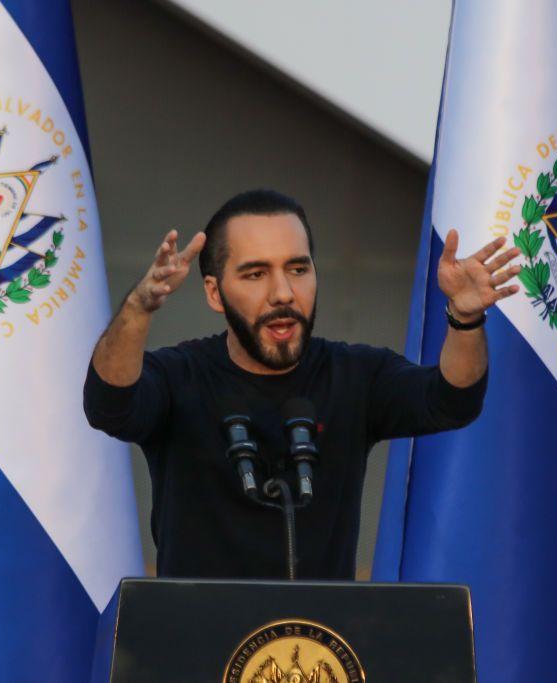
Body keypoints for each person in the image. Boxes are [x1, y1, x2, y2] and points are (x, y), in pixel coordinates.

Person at [83, 189, 521, 579]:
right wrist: (138, 308)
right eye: (255, 274)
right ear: (215, 294)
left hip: (320, 655)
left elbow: (453, 400)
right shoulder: (180, 376)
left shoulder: (354, 375)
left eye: (297, 269)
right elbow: (109, 405)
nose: (283, 293)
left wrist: (465, 319)